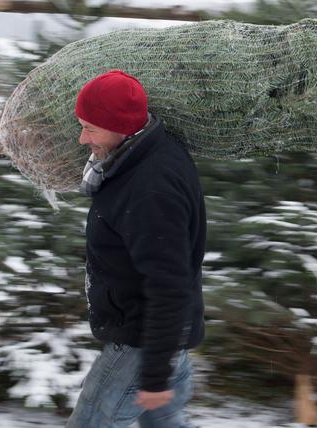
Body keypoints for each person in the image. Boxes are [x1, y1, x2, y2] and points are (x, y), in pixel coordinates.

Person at [66, 70, 206, 428]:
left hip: (140, 345)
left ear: (121, 127)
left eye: (90, 128)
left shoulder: (150, 189)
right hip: (162, 338)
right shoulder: (141, 153)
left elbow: (169, 286)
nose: (82, 138)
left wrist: (155, 374)